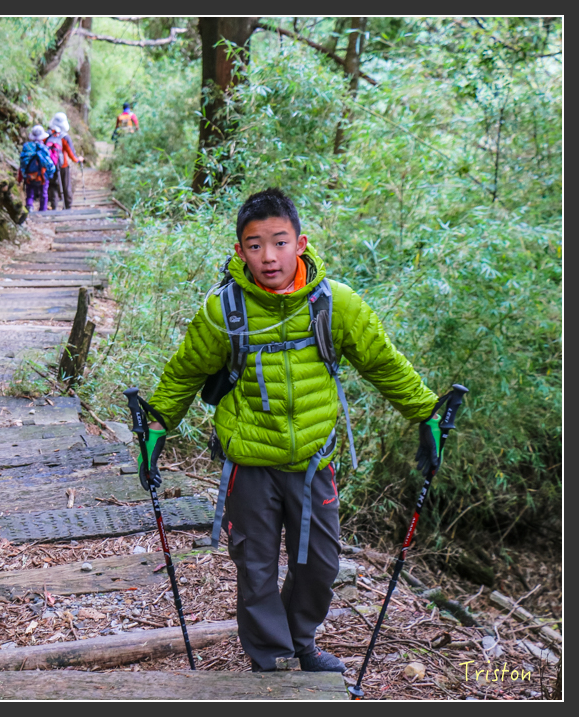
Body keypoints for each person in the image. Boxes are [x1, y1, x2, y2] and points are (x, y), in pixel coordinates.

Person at [138, 188, 442, 673]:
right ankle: (271, 658)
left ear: (300, 244)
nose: (268, 256)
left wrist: (426, 414)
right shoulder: (225, 311)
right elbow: (185, 372)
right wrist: (155, 429)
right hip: (249, 465)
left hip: (313, 462)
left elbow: (383, 363)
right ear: (240, 251)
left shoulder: (333, 304)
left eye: (279, 242)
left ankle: (302, 641)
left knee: (319, 564)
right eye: (255, 245)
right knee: (255, 567)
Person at [46, 112, 84, 210]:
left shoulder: (47, 135)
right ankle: (67, 206)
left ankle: (53, 206)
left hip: (49, 165)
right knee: (66, 185)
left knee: (53, 185)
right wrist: (78, 160)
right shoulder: (64, 137)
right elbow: (71, 153)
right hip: (63, 165)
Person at [17, 125, 56, 212]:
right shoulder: (44, 148)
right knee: (43, 193)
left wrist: (23, 175)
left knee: (30, 193)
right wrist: (51, 173)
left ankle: (29, 207)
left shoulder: (26, 147)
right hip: (43, 175)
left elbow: (23, 162)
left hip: (29, 176)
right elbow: (49, 163)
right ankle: (43, 210)